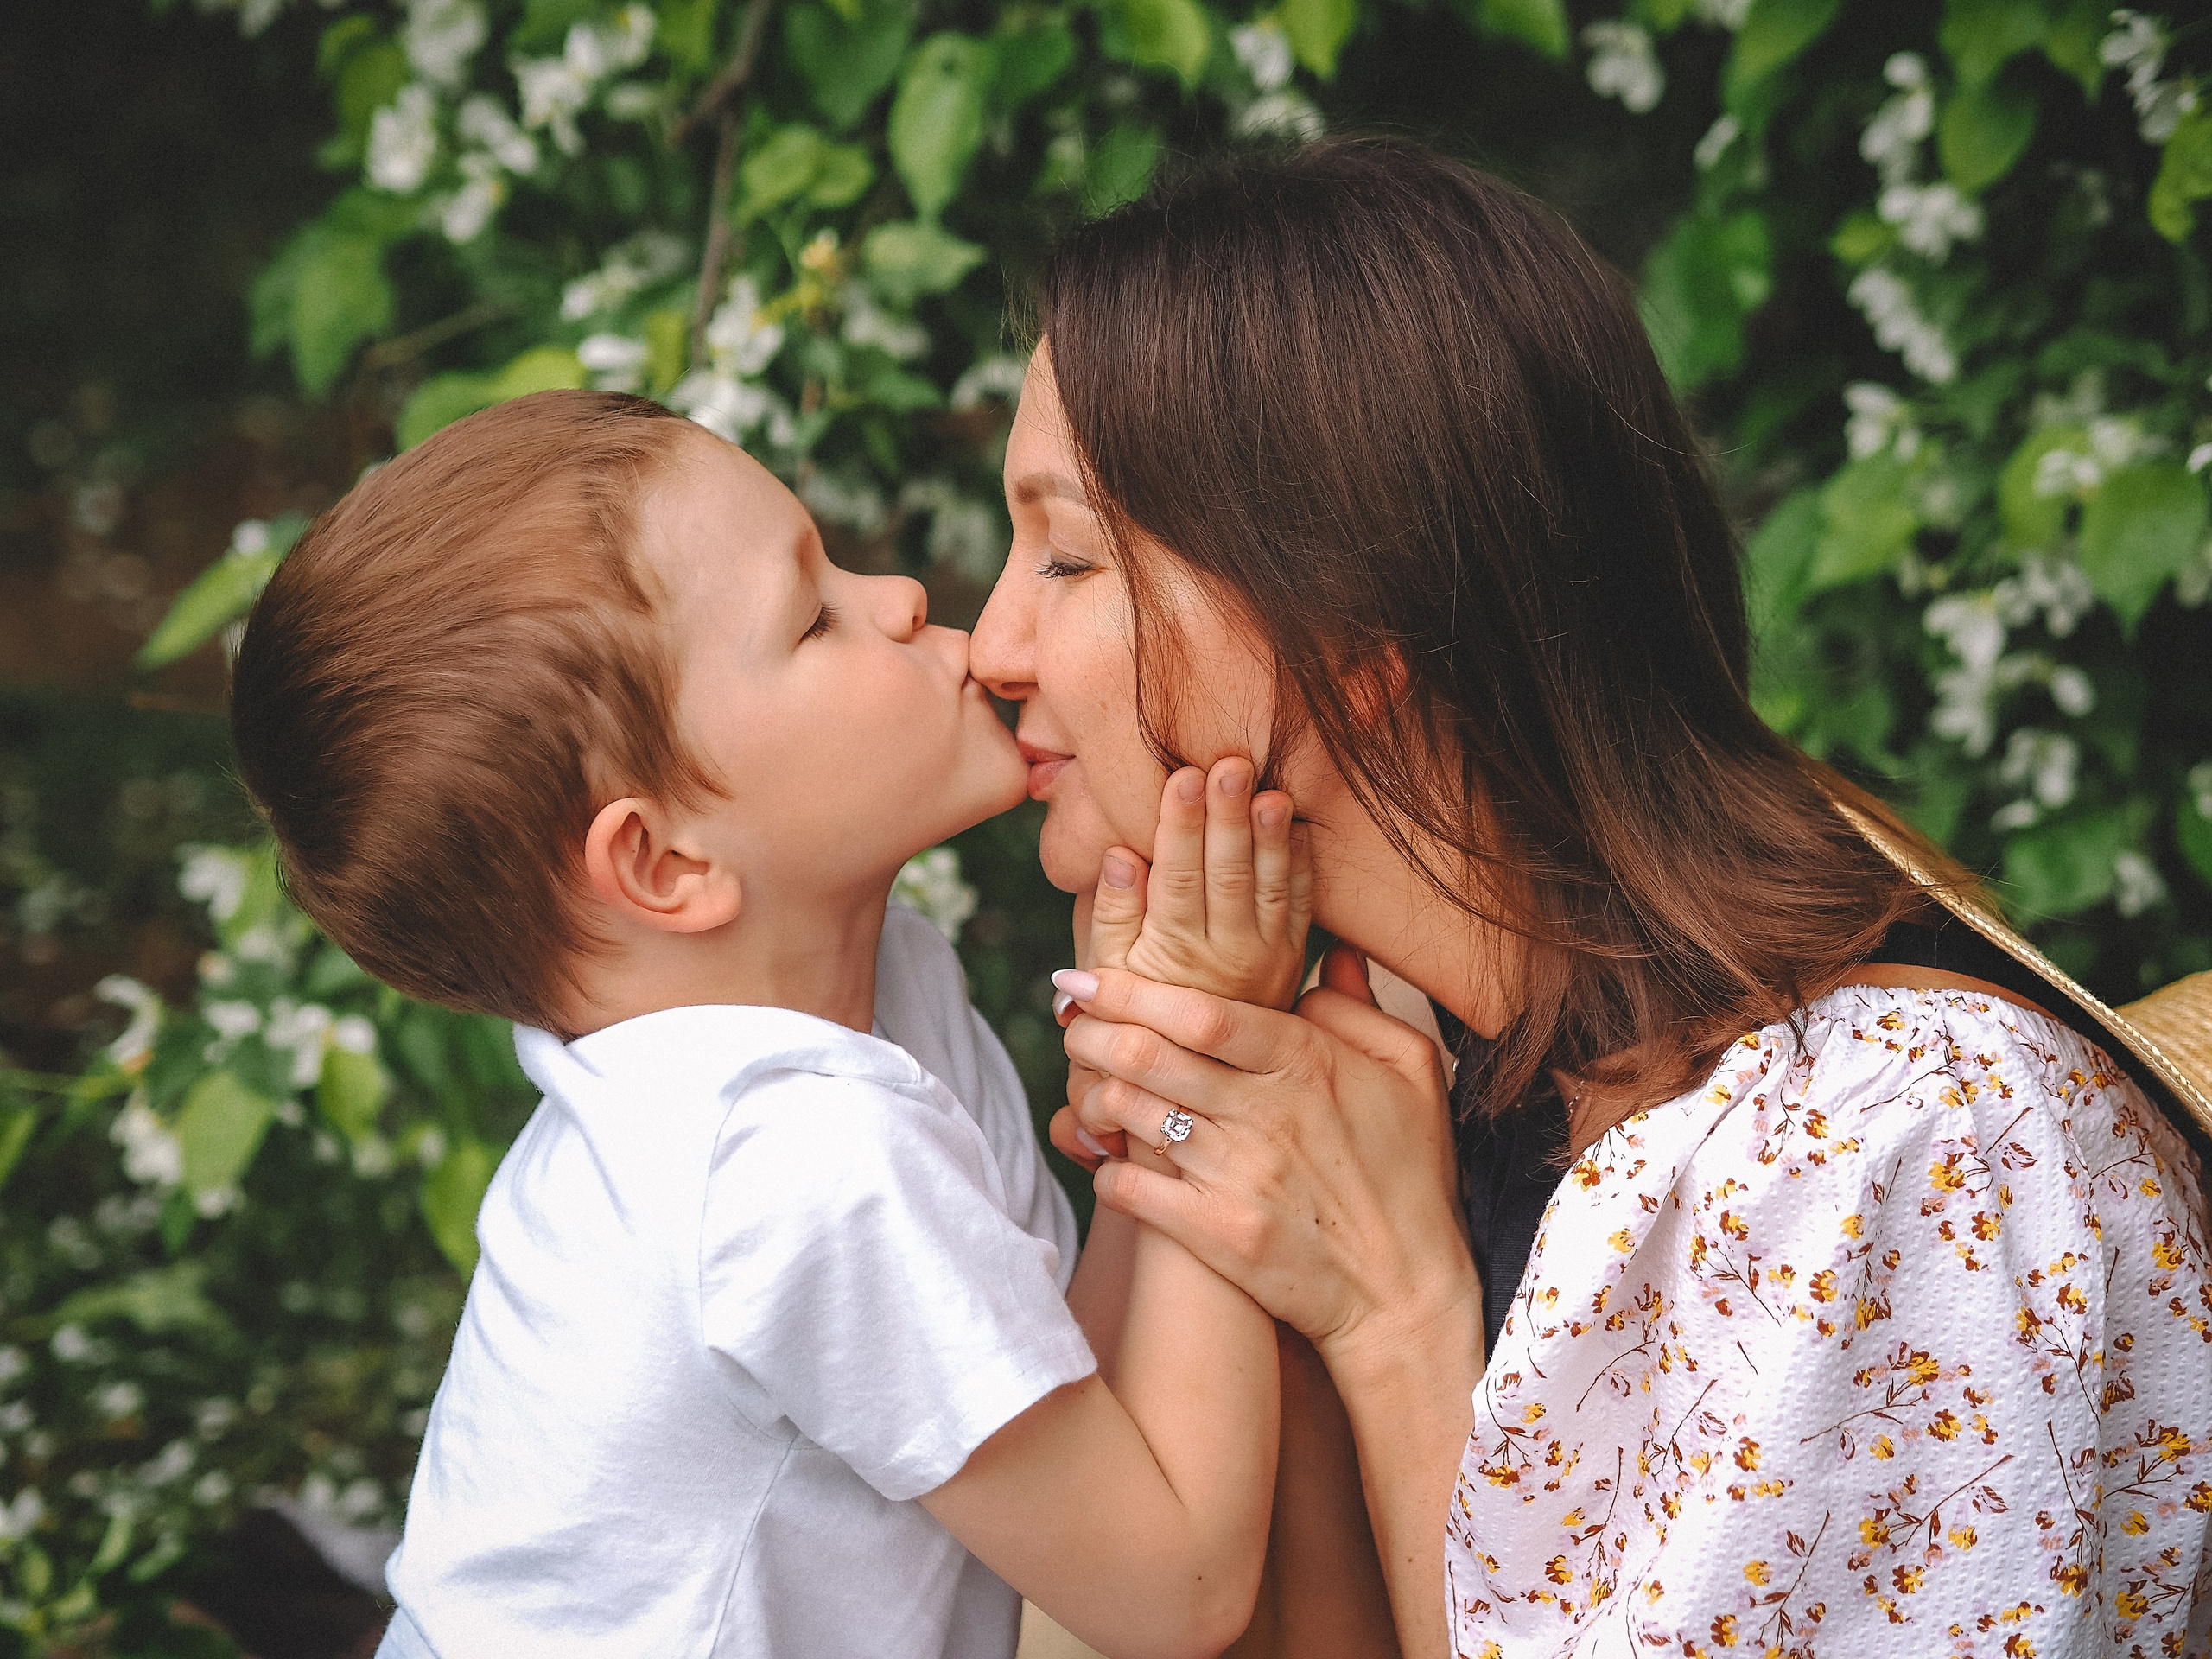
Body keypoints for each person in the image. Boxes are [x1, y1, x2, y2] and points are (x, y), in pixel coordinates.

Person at [971, 137, 2212, 1658]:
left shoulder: (1888, 1145)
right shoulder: (1447, 1077)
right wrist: (1248, 1201)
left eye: (1071, 558)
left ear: (1354, 643)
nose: (991, 645)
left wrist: (1401, 1315)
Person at [225, 388, 1309, 1659]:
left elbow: (1070, 1410)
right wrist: (1197, 1031)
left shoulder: (869, 1000)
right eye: (813, 617)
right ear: (666, 865)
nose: (901, 596)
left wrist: (1141, 1065)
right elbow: (1173, 1589)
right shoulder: (784, 1162)